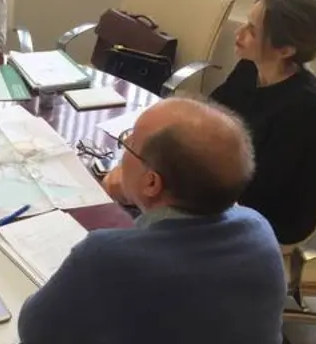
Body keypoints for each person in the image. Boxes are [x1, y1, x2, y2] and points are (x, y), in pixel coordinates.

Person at [18, 98, 285, 344]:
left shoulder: (104, 256)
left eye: (130, 143)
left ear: (152, 182)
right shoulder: (259, 228)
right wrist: (138, 194)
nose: (123, 149)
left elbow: (34, 332)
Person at [210, 0, 316, 247]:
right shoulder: (250, 66)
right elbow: (213, 112)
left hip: (271, 218)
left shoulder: (304, 106)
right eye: (246, 21)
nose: (239, 32)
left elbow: (263, 188)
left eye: (252, 30)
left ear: (285, 50)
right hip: (232, 184)